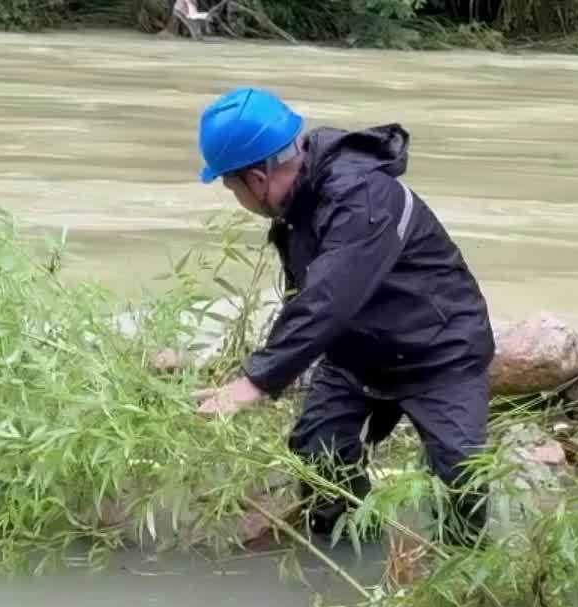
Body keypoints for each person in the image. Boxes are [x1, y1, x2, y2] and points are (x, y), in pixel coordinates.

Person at [192, 86, 496, 547]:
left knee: (460, 479)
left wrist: (254, 381)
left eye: (231, 187)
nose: (237, 198)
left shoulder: (362, 197)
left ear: (256, 179)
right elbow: (311, 300)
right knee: (318, 455)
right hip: (355, 355)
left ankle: (459, 573)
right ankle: (354, 548)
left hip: (440, 352)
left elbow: (327, 299)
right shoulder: (299, 202)